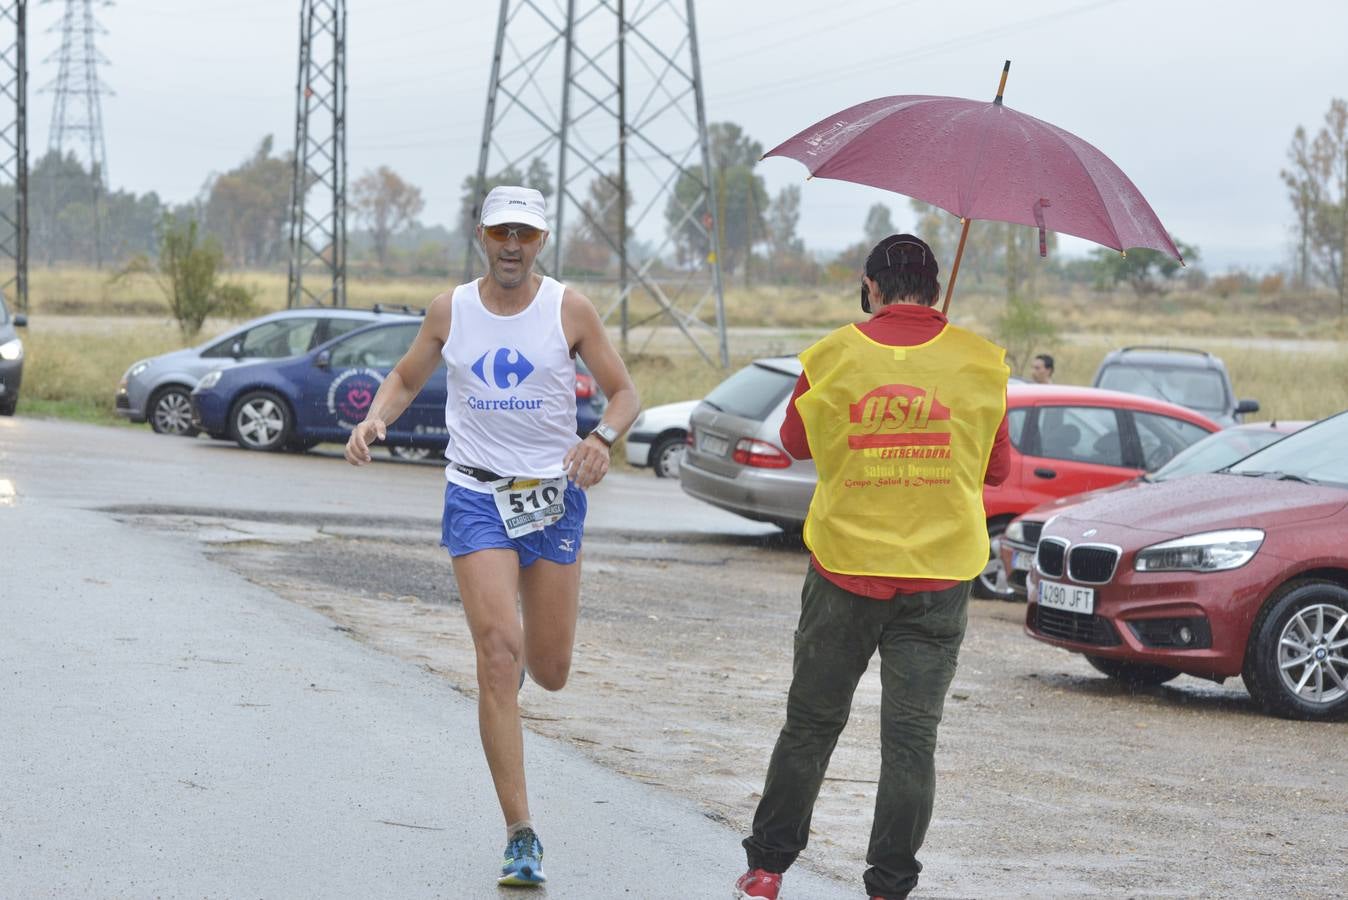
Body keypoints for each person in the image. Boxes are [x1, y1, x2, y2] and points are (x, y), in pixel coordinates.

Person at [344, 185, 639, 889]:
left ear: (542, 241)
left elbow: (624, 394)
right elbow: (406, 375)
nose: (513, 246)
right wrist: (375, 418)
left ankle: (532, 665)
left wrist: (602, 436)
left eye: (526, 235)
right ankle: (521, 833)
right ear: (481, 233)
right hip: (475, 492)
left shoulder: (568, 309)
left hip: (552, 494)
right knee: (497, 654)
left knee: (551, 668)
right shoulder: (453, 309)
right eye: (502, 232)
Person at [734, 234, 1010, 900]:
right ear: (937, 290)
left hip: (843, 573)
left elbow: (795, 443)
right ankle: (889, 885)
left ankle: (768, 868)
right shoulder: (982, 363)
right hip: (940, 582)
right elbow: (997, 469)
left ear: (870, 286)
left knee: (811, 724)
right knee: (912, 741)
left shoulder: (833, 357)